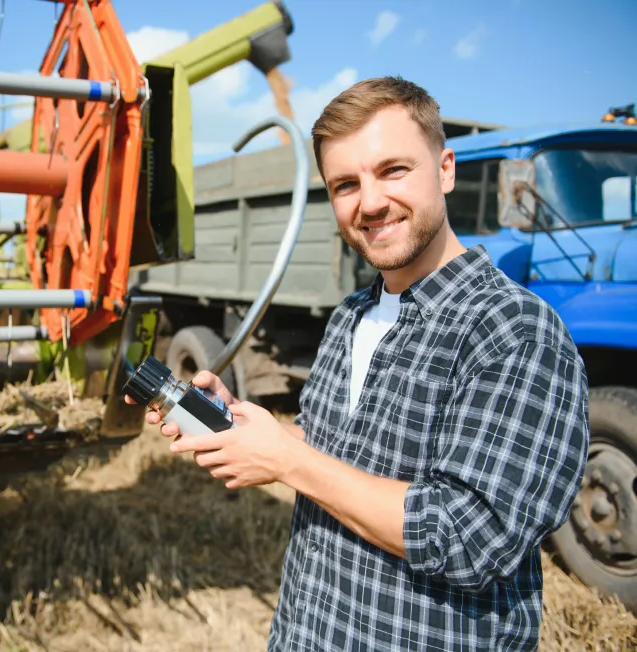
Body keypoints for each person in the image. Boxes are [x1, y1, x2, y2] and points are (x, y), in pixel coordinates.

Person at [125, 76, 590, 651]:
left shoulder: (514, 331)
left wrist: (288, 460)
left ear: (445, 169)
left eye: (393, 170)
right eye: (345, 184)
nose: (369, 203)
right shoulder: (351, 315)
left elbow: (469, 538)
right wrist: (249, 427)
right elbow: (334, 453)